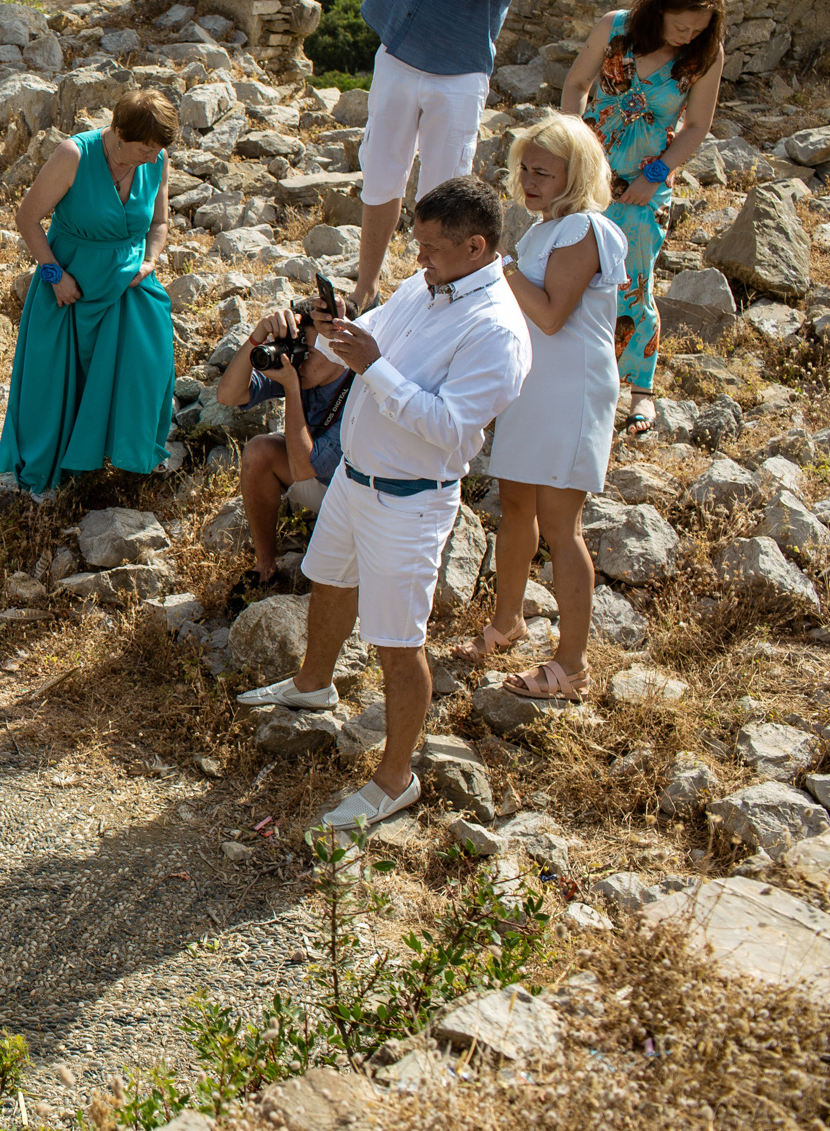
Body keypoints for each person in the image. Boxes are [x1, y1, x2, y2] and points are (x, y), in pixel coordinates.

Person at [237, 178, 533, 836]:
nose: (418, 258)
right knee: (329, 578)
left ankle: (396, 779)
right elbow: (372, 335)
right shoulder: (426, 286)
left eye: (431, 247)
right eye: (417, 243)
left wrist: (373, 366)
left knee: (399, 644)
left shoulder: (497, 330)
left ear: (476, 246)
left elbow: (451, 428)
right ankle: (313, 684)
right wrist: (338, 329)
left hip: (410, 502)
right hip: (355, 479)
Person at [344, 0, 551, 301]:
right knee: (381, 176)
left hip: (458, 72)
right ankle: (366, 288)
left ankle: (428, 297)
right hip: (399, 52)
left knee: (443, 196)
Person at [458, 116, 627, 701]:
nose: (528, 181)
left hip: (570, 391)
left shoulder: (584, 228)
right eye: (524, 168)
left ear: (575, 175)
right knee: (515, 507)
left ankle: (572, 666)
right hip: (533, 386)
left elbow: (552, 314)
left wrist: (498, 267)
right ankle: (507, 622)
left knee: (561, 525)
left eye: (543, 173)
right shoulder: (543, 229)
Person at [560, 0, 725, 435]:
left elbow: (697, 126)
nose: (688, 36)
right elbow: (576, 86)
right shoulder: (615, 28)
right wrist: (572, 146)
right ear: (660, 7)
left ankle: (640, 391)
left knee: (634, 282)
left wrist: (655, 176)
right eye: (681, 25)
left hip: (645, 185)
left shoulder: (705, 55)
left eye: (697, 29)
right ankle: (570, 375)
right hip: (586, 173)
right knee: (569, 270)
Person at [0, 90, 177, 494]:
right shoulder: (73, 155)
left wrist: (150, 260)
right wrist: (54, 275)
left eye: (157, 150)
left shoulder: (158, 159)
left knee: (147, 364)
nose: (153, 158)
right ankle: (55, 469)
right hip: (70, 283)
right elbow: (27, 219)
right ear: (119, 133)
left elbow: (159, 222)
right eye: (145, 149)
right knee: (53, 383)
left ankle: (129, 455)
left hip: (127, 281)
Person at [215, 304, 354, 614]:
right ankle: (265, 567)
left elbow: (304, 468)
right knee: (260, 451)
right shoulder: (304, 371)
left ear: (337, 351)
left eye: (309, 352)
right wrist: (257, 336)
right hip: (318, 480)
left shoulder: (360, 389)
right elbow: (227, 395)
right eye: (297, 348)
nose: (299, 359)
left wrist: (291, 387)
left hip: (357, 499)